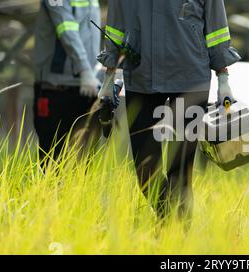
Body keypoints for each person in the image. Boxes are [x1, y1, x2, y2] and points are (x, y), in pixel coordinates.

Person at [98, 0, 241, 219]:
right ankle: (170, 222)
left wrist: (223, 79)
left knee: (180, 169)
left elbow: (216, 28)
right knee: (145, 168)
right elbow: (116, 28)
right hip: (141, 78)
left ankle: (176, 237)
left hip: (190, 80)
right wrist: (110, 78)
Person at [33, 0, 102, 162]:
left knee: (86, 163)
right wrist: (84, 69)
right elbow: (66, 29)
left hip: (89, 88)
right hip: (56, 90)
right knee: (52, 160)